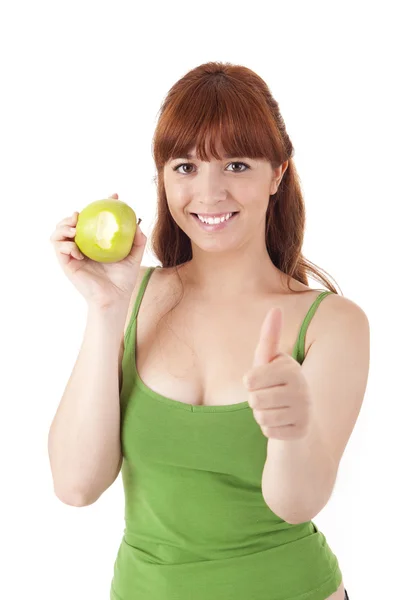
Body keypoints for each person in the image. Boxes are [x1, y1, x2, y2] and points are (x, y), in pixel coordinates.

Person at [48, 61, 369, 600]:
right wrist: (106, 310)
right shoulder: (134, 300)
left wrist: (289, 428)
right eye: (186, 166)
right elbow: (76, 486)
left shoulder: (332, 324)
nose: (210, 192)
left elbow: (297, 503)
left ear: (278, 174)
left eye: (237, 165)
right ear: (164, 178)